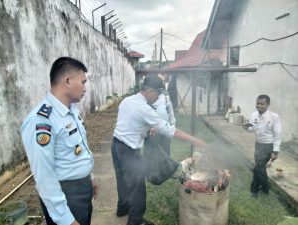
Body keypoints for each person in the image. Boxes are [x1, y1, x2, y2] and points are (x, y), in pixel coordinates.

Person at [111, 75, 206, 225]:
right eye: (158, 93)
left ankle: (122, 208)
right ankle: (135, 221)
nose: (158, 97)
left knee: (122, 180)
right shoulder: (145, 109)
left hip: (116, 145)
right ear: (149, 91)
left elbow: (130, 122)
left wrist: (147, 130)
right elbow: (172, 131)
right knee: (138, 188)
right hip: (129, 151)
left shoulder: (127, 101)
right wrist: (196, 140)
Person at [21, 57, 98, 225]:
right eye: (83, 82)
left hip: (82, 189)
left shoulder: (71, 110)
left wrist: (90, 178)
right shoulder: (41, 121)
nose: (85, 88)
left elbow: (80, 148)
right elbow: (44, 177)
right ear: (68, 81)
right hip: (66, 196)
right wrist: (65, 219)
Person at [243, 95, 281, 198]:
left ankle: (254, 190)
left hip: (268, 146)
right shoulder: (254, 114)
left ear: (267, 104)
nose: (259, 106)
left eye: (262, 104)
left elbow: (277, 135)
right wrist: (247, 127)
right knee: (261, 168)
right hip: (258, 144)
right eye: (258, 103)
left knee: (257, 167)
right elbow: (253, 128)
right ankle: (265, 187)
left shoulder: (274, 117)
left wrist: (275, 151)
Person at [151, 73, 176, 155]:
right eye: (159, 80)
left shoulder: (165, 96)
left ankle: (166, 167)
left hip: (165, 130)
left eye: (163, 81)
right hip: (154, 132)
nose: (161, 83)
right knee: (153, 154)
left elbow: (170, 111)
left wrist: (172, 124)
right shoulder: (150, 95)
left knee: (166, 153)